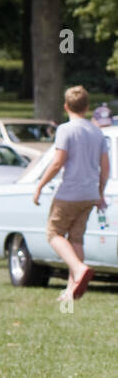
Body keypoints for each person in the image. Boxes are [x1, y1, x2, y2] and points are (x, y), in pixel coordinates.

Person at [33, 85, 109, 301]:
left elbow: (58, 162)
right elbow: (106, 166)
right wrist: (100, 192)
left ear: (66, 106)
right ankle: (72, 290)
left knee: (54, 233)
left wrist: (39, 186)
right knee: (76, 238)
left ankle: (78, 268)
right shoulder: (97, 131)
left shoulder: (66, 129)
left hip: (69, 192)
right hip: (89, 193)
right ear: (86, 107)